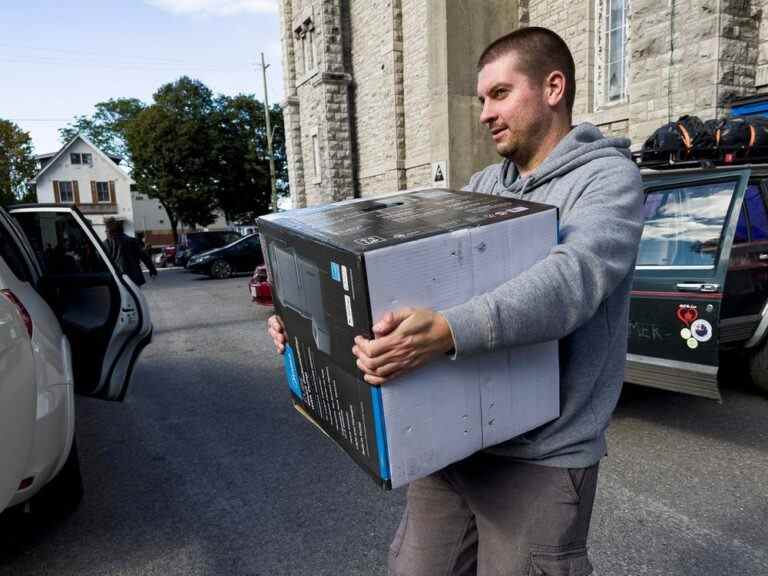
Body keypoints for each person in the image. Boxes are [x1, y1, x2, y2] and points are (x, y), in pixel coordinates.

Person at [268, 27, 644, 575]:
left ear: (553, 88)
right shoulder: (483, 185)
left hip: (540, 459)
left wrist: (447, 331)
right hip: (453, 443)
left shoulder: (607, 179)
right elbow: (404, 274)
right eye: (481, 99)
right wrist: (303, 326)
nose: (486, 112)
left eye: (499, 93)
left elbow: (573, 281)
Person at [105, 218, 157, 287]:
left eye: (106, 231)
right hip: (134, 277)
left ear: (109, 231)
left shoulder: (105, 244)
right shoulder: (132, 241)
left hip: (117, 278)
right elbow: (144, 256)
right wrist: (152, 270)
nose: (105, 232)